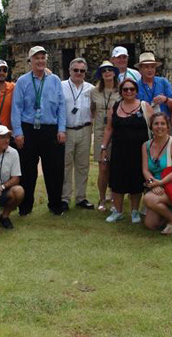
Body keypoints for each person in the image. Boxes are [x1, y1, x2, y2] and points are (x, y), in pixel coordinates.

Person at [11, 45, 67, 216]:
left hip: (50, 129)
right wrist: (18, 132)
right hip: (29, 129)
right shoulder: (22, 81)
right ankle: (25, 206)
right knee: (28, 170)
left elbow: (62, 106)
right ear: (30, 61)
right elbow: (16, 108)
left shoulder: (55, 80)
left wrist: (62, 129)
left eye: (43, 58)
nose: (40, 61)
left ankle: (55, 205)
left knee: (54, 169)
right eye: (37, 58)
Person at [100, 78, 148, 223]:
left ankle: (134, 211)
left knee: (136, 180)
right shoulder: (115, 107)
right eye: (125, 89)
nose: (129, 92)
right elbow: (109, 129)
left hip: (139, 151)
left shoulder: (144, 106)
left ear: (136, 91)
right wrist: (103, 147)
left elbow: (153, 127)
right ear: (121, 91)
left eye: (132, 89)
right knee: (117, 181)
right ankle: (118, 211)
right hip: (119, 150)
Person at [62, 57, 95, 211]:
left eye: (82, 71)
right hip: (67, 130)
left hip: (85, 129)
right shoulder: (61, 86)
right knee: (66, 165)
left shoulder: (91, 89)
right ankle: (65, 198)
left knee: (83, 165)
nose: (79, 73)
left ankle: (81, 197)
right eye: (76, 70)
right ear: (70, 71)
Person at [90, 60, 120, 211]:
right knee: (103, 167)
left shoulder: (121, 90)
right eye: (104, 70)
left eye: (110, 69)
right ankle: (102, 198)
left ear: (114, 72)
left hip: (117, 132)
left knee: (116, 167)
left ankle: (114, 198)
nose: (107, 72)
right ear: (100, 75)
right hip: (101, 131)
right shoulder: (94, 91)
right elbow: (92, 110)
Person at [135, 52, 172, 120]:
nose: (150, 70)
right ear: (140, 70)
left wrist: (165, 99)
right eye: (146, 67)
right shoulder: (135, 86)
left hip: (164, 124)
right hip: (144, 125)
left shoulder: (163, 82)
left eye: (152, 67)